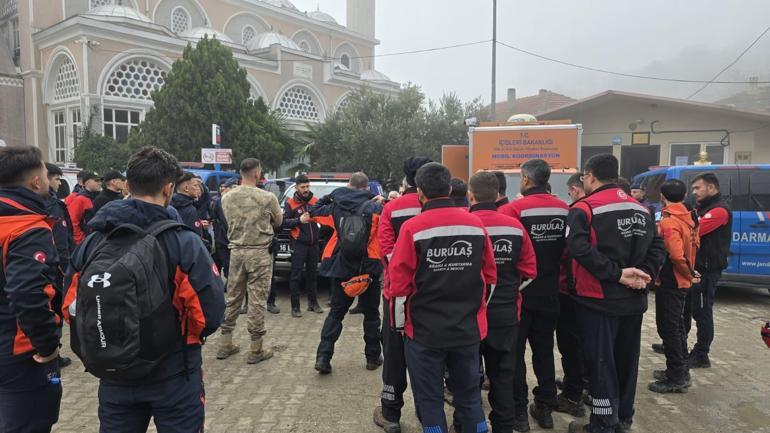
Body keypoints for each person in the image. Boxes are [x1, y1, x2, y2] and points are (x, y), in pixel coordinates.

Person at [62, 146, 225, 433]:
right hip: (174, 372)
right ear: (168, 188)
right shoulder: (182, 241)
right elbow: (209, 313)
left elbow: (71, 303)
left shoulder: (94, 241)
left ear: (126, 185)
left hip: (113, 370)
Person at [389, 162, 496, 433]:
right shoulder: (476, 225)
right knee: (470, 397)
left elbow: (398, 287)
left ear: (420, 192)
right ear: (449, 188)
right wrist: (477, 314)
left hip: (425, 333)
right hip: (467, 330)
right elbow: (490, 278)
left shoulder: (412, 229)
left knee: (430, 399)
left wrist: (400, 327)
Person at [566, 154, 666, 433]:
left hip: (598, 300)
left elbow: (578, 249)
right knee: (626, 361)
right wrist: (643, 273)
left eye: (584, 177)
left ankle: (602, 423)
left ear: (590, 175)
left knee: (600, 363)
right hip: (633, 299)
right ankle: (623, 417)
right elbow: (659, 246)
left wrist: (617, 274)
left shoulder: (584, 209)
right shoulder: (642, 209)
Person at [499, 159, 569, 431]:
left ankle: (518, 412)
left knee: (514, 354)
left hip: (519, 293)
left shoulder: (512, 210)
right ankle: (545, 407)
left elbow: (505, 252)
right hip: (551, 291)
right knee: (544, 350)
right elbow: (568, 251)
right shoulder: (565, 209)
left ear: (526, 180)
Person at [468, 171, 537, 433]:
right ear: (498, 194)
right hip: (506, 314)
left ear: (470, 195)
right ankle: (504, 426)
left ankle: (468, 425)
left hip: (470, 316)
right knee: (503, 377)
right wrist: (509, 292)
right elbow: (530, 270)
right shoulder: (514, 226)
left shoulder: (464, 225)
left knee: (469, 378)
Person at [0, 145, 62, 433]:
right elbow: (27, 293)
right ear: (36, 181)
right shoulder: (27, 228)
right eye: (47, 173)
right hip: (20, 356)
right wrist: (48, 345)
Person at [373, 156, 431, 433]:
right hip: (436, 294)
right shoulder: (451, 208)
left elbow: (387, 251)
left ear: (407, 178)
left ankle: (391, 413)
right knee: (430, 354)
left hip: (398, 294)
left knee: (394, 353)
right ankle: (426, 413)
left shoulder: (392, 209)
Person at [310, 172, 384, 375]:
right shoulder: (376, 208)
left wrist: (330, 196)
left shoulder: (335, 207)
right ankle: (372, 357)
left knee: (336, 314)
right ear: (366, 188)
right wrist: (378, 200)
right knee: (371, 315)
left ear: (348, 185)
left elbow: (313, 212)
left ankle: (323, 357)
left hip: (341, 267)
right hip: (368, 267)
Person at [216, 158, 282, 364]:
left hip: (236, 251)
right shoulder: (267, 197)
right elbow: (278, 221)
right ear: (257, 174)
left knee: (233, 296)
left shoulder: (226, 198)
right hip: (259, 252)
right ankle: (256, 348)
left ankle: (225, 343)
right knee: (257, 300)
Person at [649, 179, 700, 394]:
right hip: (681, 280)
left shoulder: (670, 222)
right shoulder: (689, 216)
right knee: (677, 327)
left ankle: (677, 376)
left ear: (662, 196)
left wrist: (687, 273)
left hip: (673, 281)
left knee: (668, 327)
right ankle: (679, 370)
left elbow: (676, 255)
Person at [685, 173, 731, 369]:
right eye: (693, 188)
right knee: (690, 308)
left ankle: (701, 354)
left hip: (707, 269)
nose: (694, 192)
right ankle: (683, 345)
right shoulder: (702, 207)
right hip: (696, 268)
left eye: (698, 188)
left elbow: (693, 231)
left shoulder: (719, 210)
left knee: (702, 312)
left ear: (711, 187)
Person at [554, 172, 588, 419]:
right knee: (584, 341)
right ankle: (580, 384)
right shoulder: (594, 212)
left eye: (570, 192)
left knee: (570, 343)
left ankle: (573, 394)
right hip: (590, 289)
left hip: (570, 288)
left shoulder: (577, 213)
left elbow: (568, 252)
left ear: (576, 189)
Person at [44, 163, 74, 369]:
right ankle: (52, 351)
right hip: (54, 267)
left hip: (50, 265)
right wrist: (65, 267)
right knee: (54, 309)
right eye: (56, 179)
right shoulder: (51, 205)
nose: (58, 183)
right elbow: (60, 239)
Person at [284, 174, 324, 317]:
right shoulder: (290, 203)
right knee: (295, 276)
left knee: (312, 275)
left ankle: (313, 304)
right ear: (296, 188)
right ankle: (295, 307)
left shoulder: (315, 201)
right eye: (303, 187)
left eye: (307, 186)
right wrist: (299, 220)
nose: (306, 189)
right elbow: (284, 223)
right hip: (299, 244)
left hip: (314, 245)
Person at [210, 177, 239, 280]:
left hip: (238, 241)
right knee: (227, 266)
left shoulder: (241, 202)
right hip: (223, 240)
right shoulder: (218, 202)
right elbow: (214, 218)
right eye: (232, 187)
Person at [65, 170, 101, 245]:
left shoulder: (99, 198)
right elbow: (73, 222)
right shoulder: (80, 199)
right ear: (87, 183)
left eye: (100, 181)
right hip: (86, 241)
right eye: (96, 181)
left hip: (97, 240)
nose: (100, 183)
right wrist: (81, 241)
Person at [171, 171, 204, 239]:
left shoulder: (170, 204)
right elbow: (194, 237)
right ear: (186, 188)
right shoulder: (189, 209)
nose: (198, 188)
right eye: (195, 185)